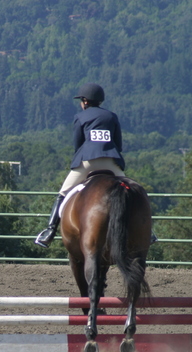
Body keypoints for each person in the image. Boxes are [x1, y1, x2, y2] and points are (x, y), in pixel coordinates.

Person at [35, 82, 128, 248]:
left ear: (85, 101)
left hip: (87, 162)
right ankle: (147, 231)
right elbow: (118, 145)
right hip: (111, 162)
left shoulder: (80, 117)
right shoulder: (112, 116)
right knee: (130, 191)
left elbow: (78, 146)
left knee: (63, 193)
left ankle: (49, 231)